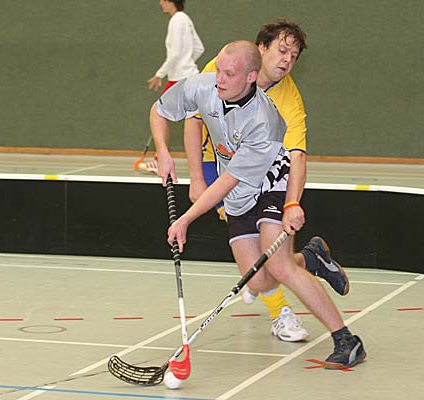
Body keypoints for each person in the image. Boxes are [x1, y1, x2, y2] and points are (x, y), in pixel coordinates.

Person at [150, 40, 366, 369]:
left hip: (271, 183)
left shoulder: (264, 121)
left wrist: (185, 220)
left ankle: (347, 341)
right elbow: (159, 110)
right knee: (259, 281)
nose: (219, 79)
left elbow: (227, 181)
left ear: (251, 77)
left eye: (229, 74)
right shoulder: (205, 86)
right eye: (219, 70)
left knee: (279, 268)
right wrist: (163, 151)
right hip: (239, 192)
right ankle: (310, 258)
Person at [183, 18, 349, 343]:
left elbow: (297, 156)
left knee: (272, 263)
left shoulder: (290, 99)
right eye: (282, 51)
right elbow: (194, 120)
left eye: (294, 56)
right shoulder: (227, 65)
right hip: (217, 160)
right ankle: (308, 260)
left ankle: (281, 312)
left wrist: (292, 202)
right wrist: (196, 178)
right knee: (259, 270)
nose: (287, 60)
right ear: (261, 48)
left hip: (263, 173)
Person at [147, 0, 205, 94]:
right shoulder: (185, 18)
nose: (161, 3)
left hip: (178, 80)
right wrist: (186, 63)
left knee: (163, 103)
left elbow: (175, 54)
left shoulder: (176, 21)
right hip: (192, 77)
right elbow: (199, 48)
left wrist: (159, 75)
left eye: (164, 0)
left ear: (172, 2)